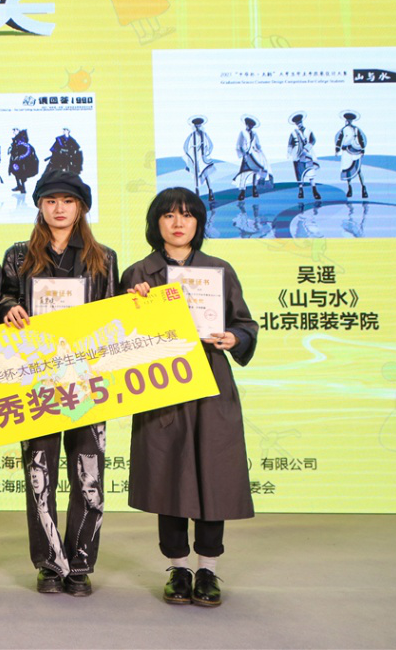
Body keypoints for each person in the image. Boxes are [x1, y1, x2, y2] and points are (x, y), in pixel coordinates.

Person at [120, 187, 258, 608]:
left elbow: (244, 324)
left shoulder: (219, 270)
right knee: (169, 473)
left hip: (212, 384)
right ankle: (178, 568)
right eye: (169, 215)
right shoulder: (138, 274)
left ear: (198, 223)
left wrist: (234, 337)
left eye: (187, 215)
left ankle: (208, 570)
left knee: (213, 474)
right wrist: (133, 307)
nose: (178, 223)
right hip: (163, 384)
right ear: (156, 223)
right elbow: (118, 337)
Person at [0, 171, 118, 597]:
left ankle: (80, 564)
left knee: (89, 477)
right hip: (37, 381)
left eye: (68, 200)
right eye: (51, 200)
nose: (59, 208)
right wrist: (9, 307)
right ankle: (49, 563)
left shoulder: (104, 258)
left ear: (81, 207)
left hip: (88, 380)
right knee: (39, 475)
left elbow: (114, 314)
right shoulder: (18, 255)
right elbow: (4, 297)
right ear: (40, 206)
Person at [233, 116, 270, 201]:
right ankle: (242, 191)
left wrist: (259, 151)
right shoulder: (242, 132)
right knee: (244, 173)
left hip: (254, 155)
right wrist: (244, 154)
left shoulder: (254, 133)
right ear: (246, 124)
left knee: (255, 172)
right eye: (249, 124)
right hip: (246, 155)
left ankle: (254, 189)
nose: (250, 126)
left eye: (252, 125)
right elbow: (239, 144)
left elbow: (257, 144)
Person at [287, 112, 321, 202]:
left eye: (300, 122)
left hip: (308, 154)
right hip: (297, 154)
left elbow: (313, 140)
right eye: (297, 123)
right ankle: (301, 191)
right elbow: (290, 144)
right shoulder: (293, 133)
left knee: (310, 172)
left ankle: (314, 191)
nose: (299, 124)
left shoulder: (308, 131)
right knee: (299, 173)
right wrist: (289, 152)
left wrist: (306, 149)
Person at [334, 110, 368, 199]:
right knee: (347, 170)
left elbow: (361, 139)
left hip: (355, 151)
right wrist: (337, 149)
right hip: (346, 152)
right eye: (347, 120)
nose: (348, 121)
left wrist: (362, 149)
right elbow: (339, 140)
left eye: (350, 120)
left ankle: (363, 188)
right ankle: (349, 188)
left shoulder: (356, 129)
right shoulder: (343, 130)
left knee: (358, 170)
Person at [182, 116, 216, 203]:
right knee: (196, 176)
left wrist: (207, 153)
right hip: (195, 158)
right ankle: (197, 193)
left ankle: (210, 192)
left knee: (206, 174)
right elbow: (185, 147)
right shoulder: (191, 136)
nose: (198, 126)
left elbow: (210, 145)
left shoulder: (204, 134)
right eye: (196, 125)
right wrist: (190, 157)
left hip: (203, 158)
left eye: (199, 125)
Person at [8, 128, 39, 194]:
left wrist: (21, 157)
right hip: (16, 159)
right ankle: (19, 186)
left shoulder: (21, 139)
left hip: (22, 161)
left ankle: (23, 188)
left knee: (21, 173)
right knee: (16, 172)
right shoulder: (16, 139)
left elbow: (27, 149)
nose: (13, 132)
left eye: (15, 130)